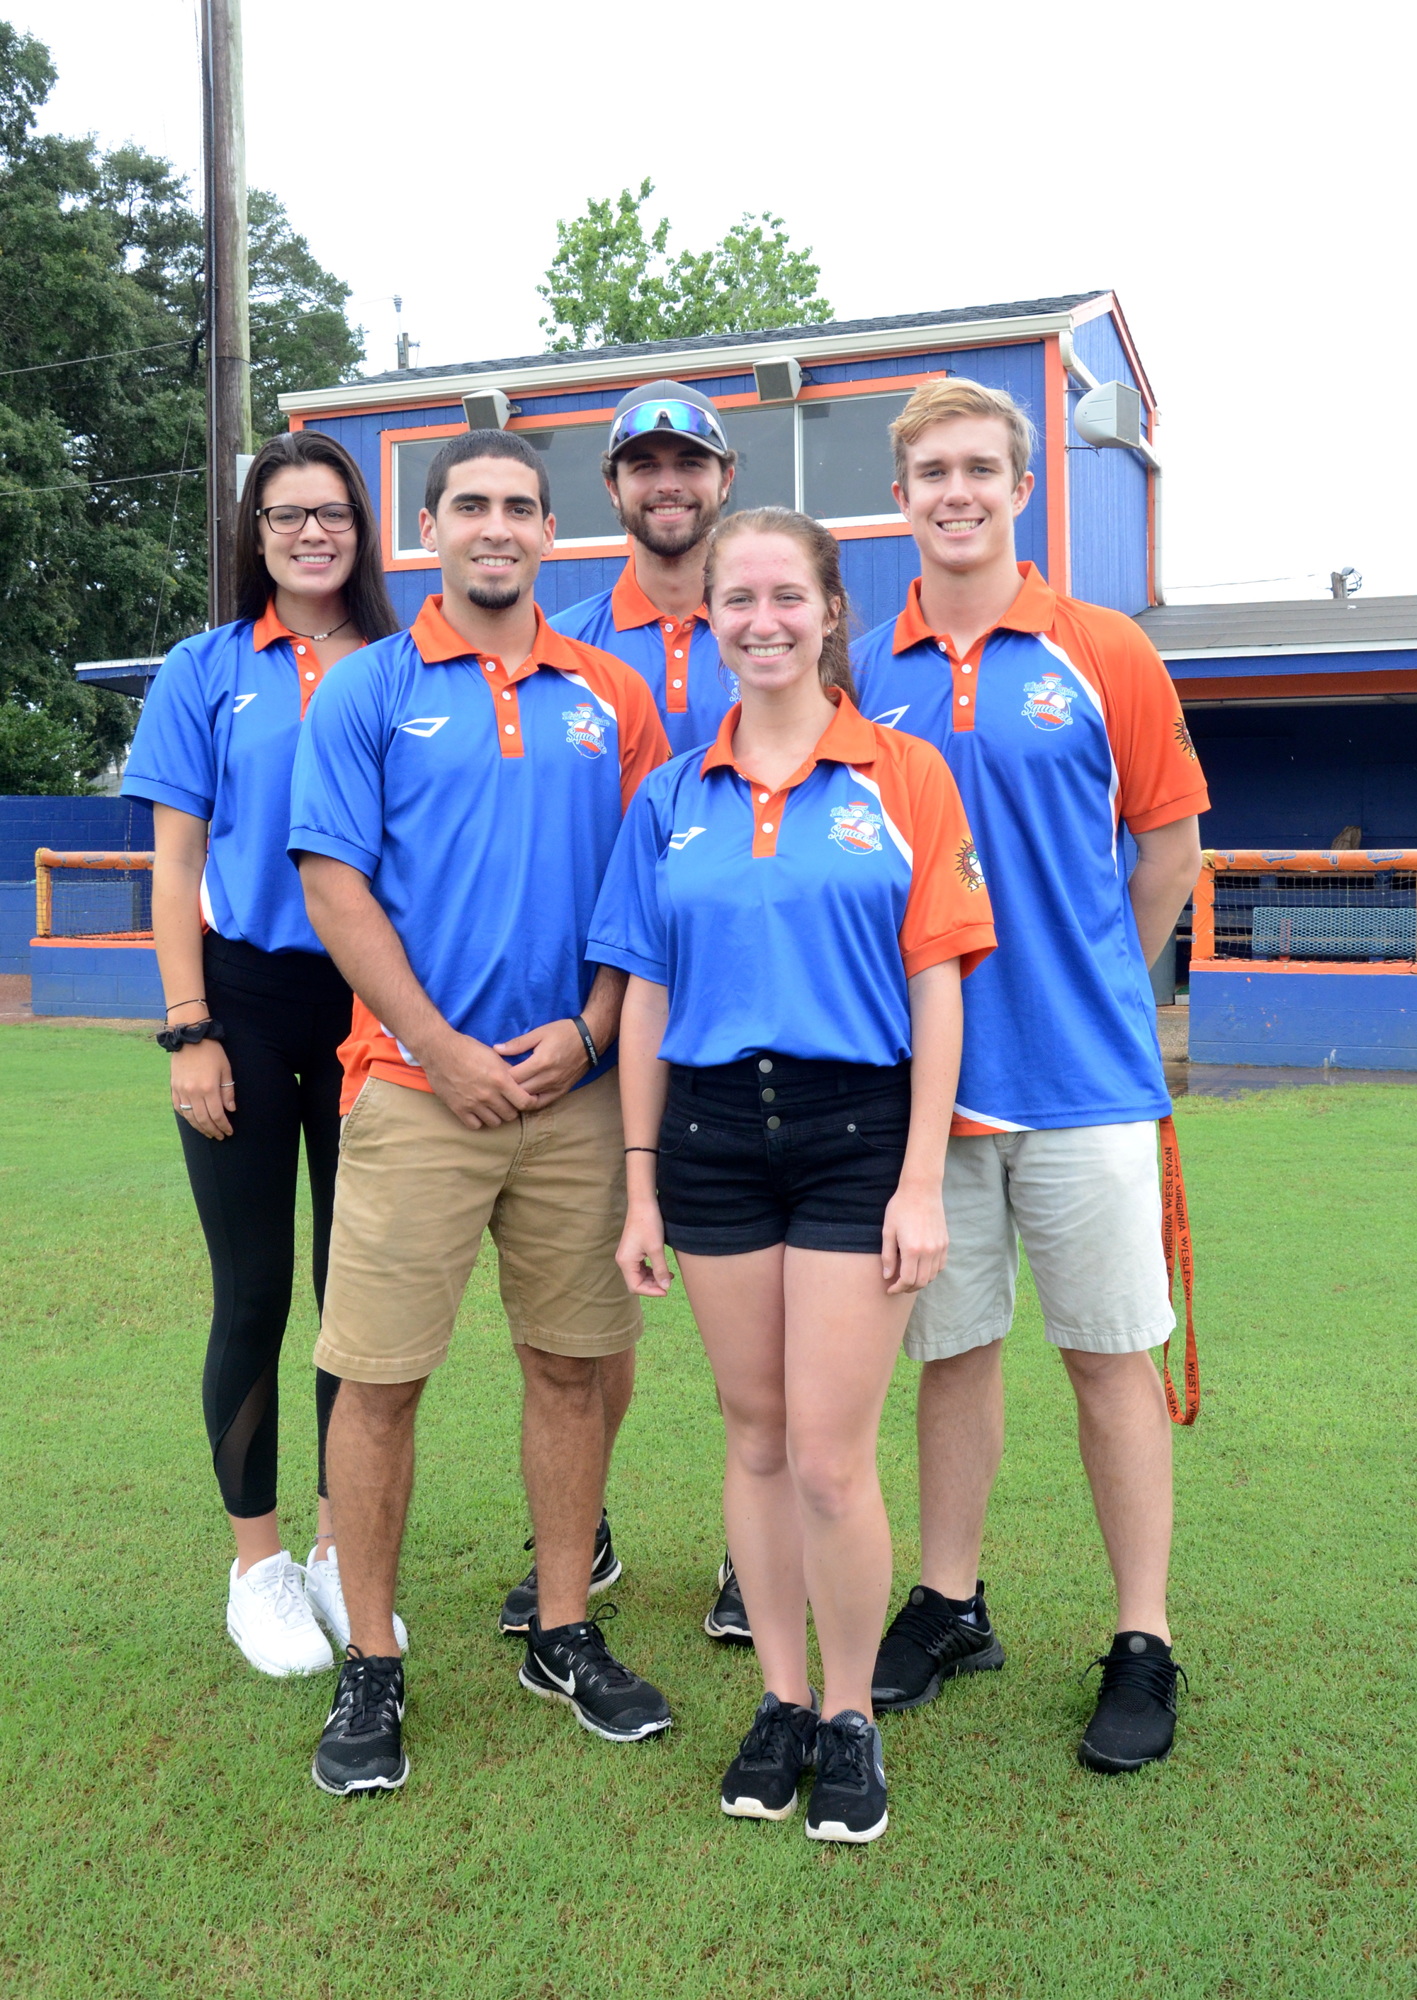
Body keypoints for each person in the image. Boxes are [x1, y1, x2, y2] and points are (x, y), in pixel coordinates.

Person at [591, 508, 995, 1842]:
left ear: (830, 613)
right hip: (708, 1139)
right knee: (754, 1438)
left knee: (828, 1455)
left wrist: (922, 1179)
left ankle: (849, 1720)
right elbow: (644, 998)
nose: (760, 622)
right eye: (734, 601)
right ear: (705, 621)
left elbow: (936, 989)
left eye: (786, 597)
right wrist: (641, 1184)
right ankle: (777, 1699)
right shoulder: (671, 797)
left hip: (852, 1132)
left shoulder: (902, 775)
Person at [289, 429, 673, 1796]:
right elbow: (335, 888)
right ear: (428, 528)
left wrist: (587, 1033)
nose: (495, 526)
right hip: (410, 1094)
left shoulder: (611, 693)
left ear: (550, 528)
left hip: (570, 1097)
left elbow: (647, 898)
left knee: (571, 1366)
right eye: (470, 505)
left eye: (519, 505)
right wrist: (439, 1045)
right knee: (381, 1378)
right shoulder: (367, 691)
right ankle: (374, 1659)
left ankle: (563, 1627)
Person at [851, 379, 1209, 1773]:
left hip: (1087, 1082)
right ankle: (950, 1602)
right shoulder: (860, 667)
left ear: (1020, 488)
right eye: (930, 470)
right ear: (902, 496)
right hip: (928, 1091)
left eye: (979, 469)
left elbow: (1169, 845)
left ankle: (1142, 1636)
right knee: (951, 1357)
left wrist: (1098, 980)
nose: (955, 491)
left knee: (1110, 1359)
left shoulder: (1102, 648)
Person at [121, 431, 401, 1677]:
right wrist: (187, 1027)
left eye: (331, 512)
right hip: (236, 1000)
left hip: (366, 1004)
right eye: (285, 514)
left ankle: (346, 1547)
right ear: (256, 531)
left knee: (363, 1310)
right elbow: (177, 859)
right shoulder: (205, 667)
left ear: (360, 526)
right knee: (255, 1294)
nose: (309, 533)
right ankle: (261, 1567)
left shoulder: (405, 666)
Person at [550, 379, 752, 1646]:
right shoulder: (566, 644)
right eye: (644, 465)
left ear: (721, 482)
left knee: (766, 1305)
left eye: (689, 463)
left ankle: (753, 1548)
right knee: (591, 1303)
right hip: (607, 1015)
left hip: (750, 1017)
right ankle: (585, 1528)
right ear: (614, 490)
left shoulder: (771, 624)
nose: (667, 483)